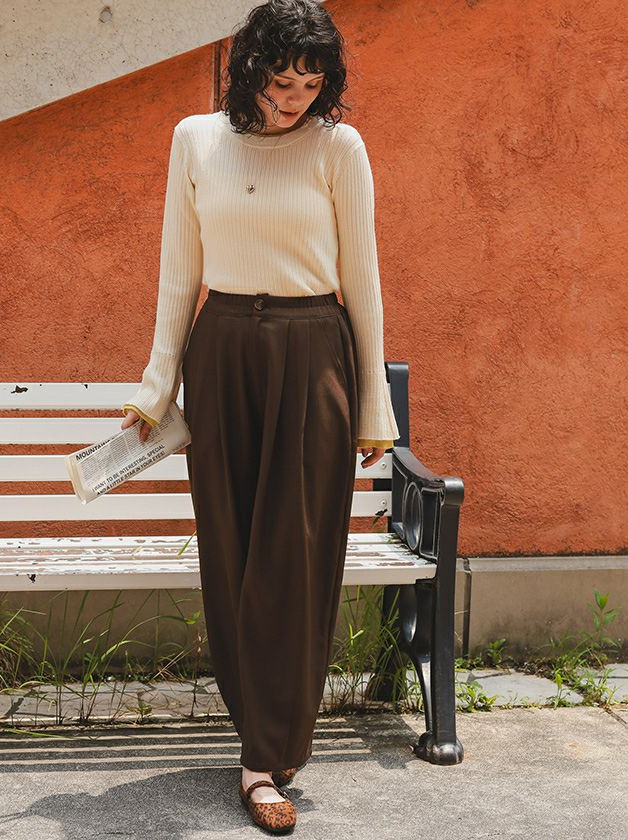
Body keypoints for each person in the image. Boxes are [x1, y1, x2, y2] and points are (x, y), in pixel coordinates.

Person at [120, 0, 400, 832]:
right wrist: (155, 388)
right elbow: (179, 272)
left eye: (310, 86)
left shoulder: (338, 148)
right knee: (233, 553)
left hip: (314, 352)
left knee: (294, 558)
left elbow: (364, 281)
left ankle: (263, 758)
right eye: (280, 83)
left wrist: (375, 404)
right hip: (223, 352)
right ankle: (261, 735)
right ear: (248, 71)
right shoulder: (195, 139)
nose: (293, 101)